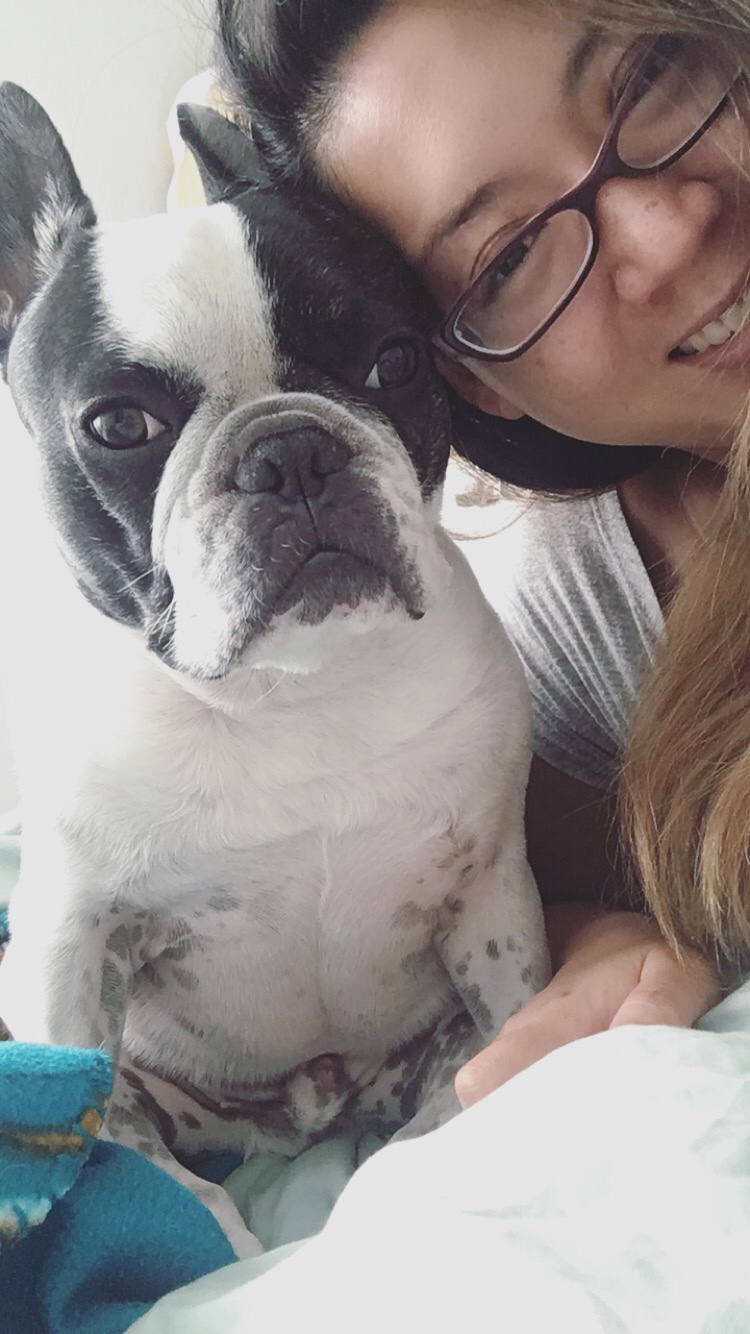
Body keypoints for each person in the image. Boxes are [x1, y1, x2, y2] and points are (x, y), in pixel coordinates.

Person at [213, 0, 750, 1103]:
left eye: (652, 77)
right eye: (511, 258)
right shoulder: (593, 608)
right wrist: (605, 937)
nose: (667, 231)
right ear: (476, 381)